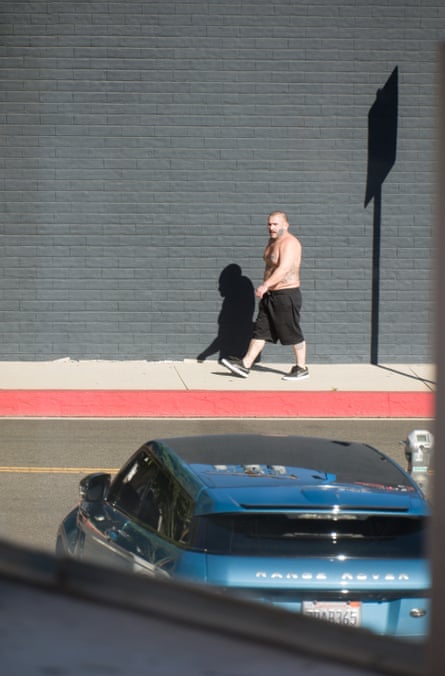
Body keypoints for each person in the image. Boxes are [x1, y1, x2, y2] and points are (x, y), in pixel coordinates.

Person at [221, 211, 308, 381]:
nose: (271, 227)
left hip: (286, 294)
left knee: (292, 332)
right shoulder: (272, 242)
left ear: (285, 225)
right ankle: (245, 365)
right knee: (260, 331)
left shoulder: (290, 243)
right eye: (269, 224)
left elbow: (283, 269)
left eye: (275, 224)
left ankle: (301, 368)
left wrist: (266, 284)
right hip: (270, 295)